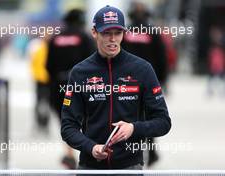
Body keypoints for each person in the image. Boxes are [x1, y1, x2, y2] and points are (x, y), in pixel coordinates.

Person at [61, 5, 171, 172]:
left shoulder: (142, 69)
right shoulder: (80, 72)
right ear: (94, 32)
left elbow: (163, 122)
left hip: (129, 167)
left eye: (117, 33)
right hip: (89, 167)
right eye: (106, 33)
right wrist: (91, 147)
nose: (112, 39)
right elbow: (68, 127)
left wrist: (134, 128)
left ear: (124, 33)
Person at [121, 2, 169, 167]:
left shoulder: (125, 33)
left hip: (126, 82)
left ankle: (134, 150)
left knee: (130, 115)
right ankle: (151, 149)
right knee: (150, 115)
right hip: (149, 80)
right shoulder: (153, 33)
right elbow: (163, 59)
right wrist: (162, 81)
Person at [46, 9, 95, 169]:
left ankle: (69, 153)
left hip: (59, 86)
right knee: (87, 118)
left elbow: (48, 66)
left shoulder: (56, 38)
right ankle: (87, 151)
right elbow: (93, 62)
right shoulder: (84, 37)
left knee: (65, 120)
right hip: (82, 86)